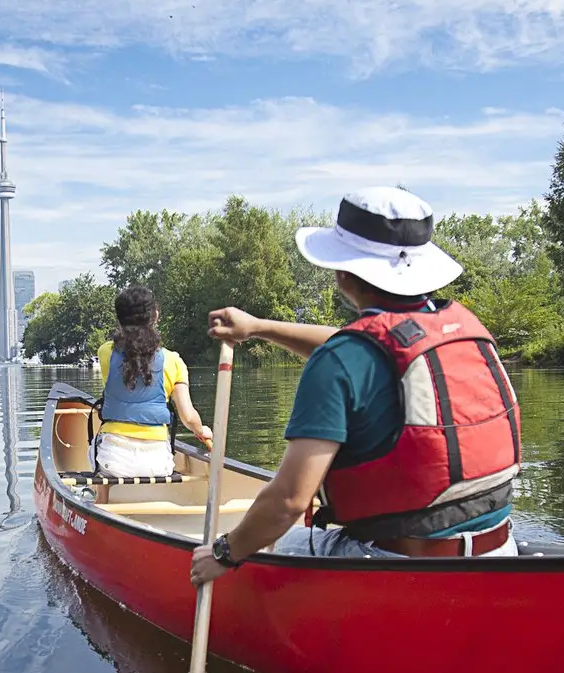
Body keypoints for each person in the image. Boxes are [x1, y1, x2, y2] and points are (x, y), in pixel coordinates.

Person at [190, 187, 522, 587]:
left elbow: (288, 503)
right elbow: (355, 342)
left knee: (277, 543)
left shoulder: (342, 361)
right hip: (501, 551)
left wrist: (225, 552)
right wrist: (259, 328)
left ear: (343, 272)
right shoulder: (457, 329)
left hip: (399, 564)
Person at [94, 285, 211, 477]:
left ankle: (102, 502)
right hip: (158, 465)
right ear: (155, 316)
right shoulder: (174, 361)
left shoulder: (105, 352)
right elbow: (188, 417)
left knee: (94, 447)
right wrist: (201, 429)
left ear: (119, 318)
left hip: (112, 462)